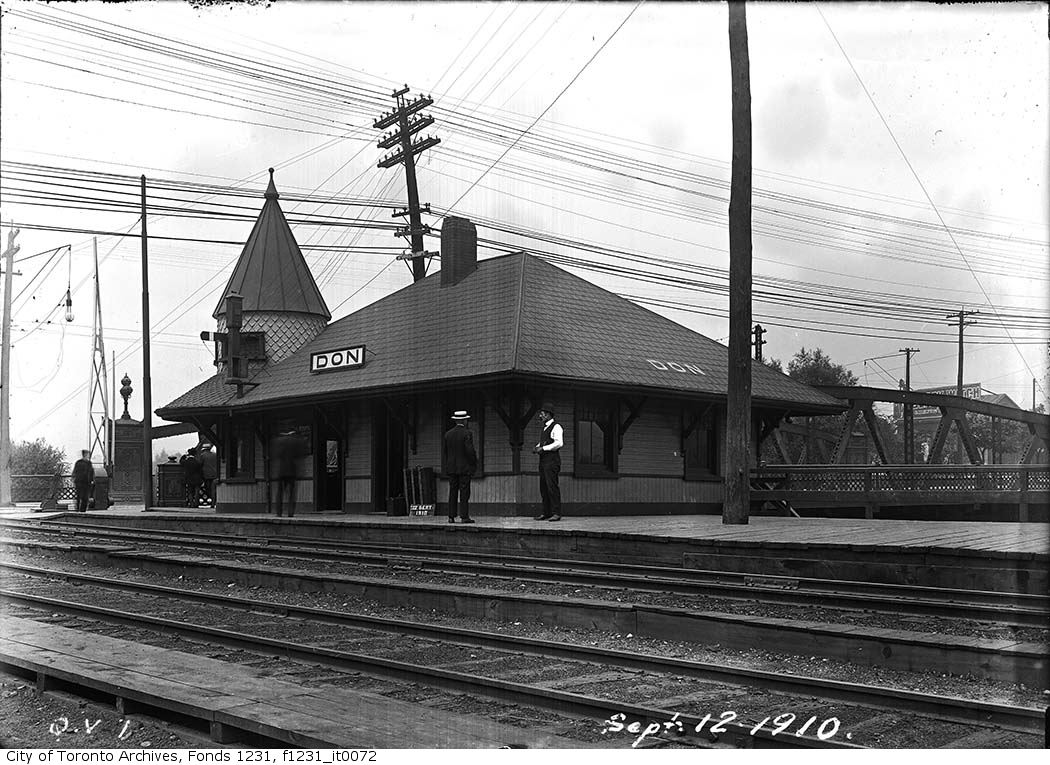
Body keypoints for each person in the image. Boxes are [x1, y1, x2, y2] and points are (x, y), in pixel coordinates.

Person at [443, 410, 478, 524]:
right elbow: (469, 451)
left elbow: (445, 452)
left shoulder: (448, 434)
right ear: (464, 420)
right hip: (464, 468)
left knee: (452, 492)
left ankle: (451, 516)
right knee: (464, 493)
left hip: (451, 468)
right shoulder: (467, 433)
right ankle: (464, 516)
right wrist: (474, 463)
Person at [533, 403, 563, 521]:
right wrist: (537, 447)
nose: (540, 415)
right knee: (544, 487)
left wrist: (543, 449)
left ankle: (556, 513)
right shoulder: (544, 428)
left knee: (552, 487)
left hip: (552, 461)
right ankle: (547, 512)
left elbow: (559, 443)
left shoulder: (556, 427)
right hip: (543, 461)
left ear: (549, 414)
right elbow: (545, 442)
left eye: (542, 413)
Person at [272, 430, 304, 518]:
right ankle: (290, 512)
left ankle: (279, 512)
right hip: (292, 470)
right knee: (292, 493)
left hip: (281, 470)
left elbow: (276, 455)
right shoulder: (296, 441)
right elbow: (300, 456)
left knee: (280, 492)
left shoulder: (278, 441)